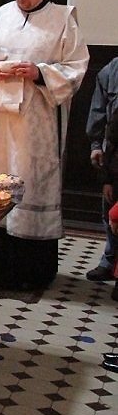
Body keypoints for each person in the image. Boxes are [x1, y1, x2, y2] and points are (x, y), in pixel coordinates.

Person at [0, 0, 89, 290]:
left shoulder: (63, 19)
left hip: (35, 121)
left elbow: (77, 66)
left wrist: (40, 73)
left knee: (27, 176)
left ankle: (28, 271)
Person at [85, 57, 118, 282]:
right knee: (112, 213)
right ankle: (110, 261)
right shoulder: (111, 69)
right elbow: (99, 109)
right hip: (114, 153)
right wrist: (96, 145)